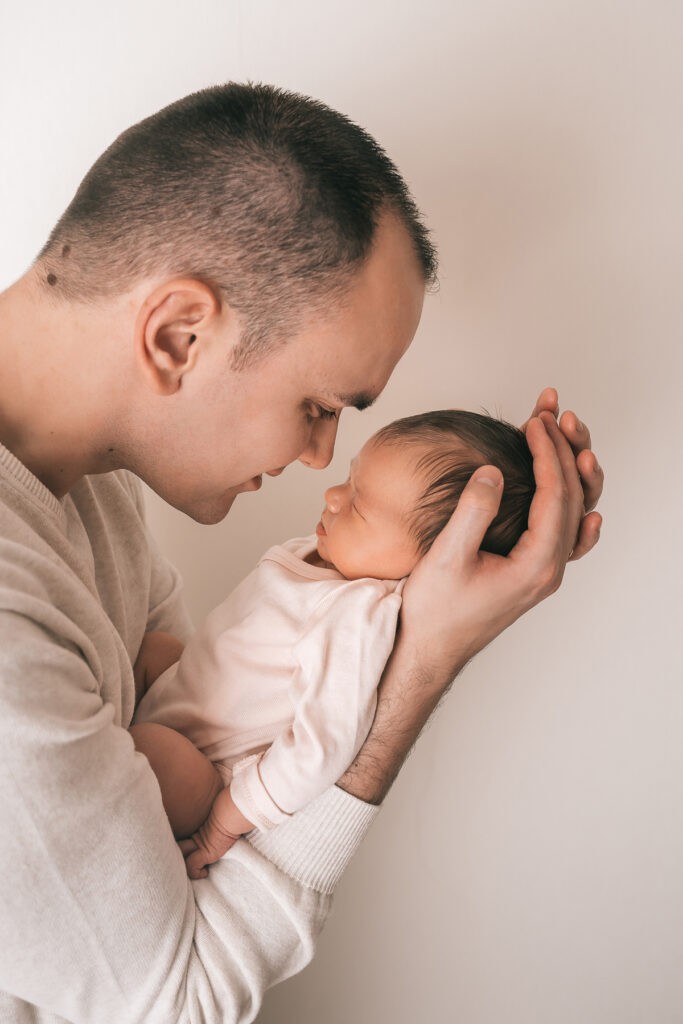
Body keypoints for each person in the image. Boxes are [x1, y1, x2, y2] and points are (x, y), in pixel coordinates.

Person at [0, 83, 603, 1023]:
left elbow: (192, 715)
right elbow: (175, 1003)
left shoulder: (97, 481)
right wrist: (420, 662)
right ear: (177, 335)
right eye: (320, 405)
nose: (320, 458)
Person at [131, 410, 536, 880]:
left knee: (144, 748)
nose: (333, 495)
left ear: (431, 562)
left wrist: (225, 818)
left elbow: (322, 747)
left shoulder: (355, 617)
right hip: (188, 696)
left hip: (207, 762)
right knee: (152, 648)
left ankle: (181, 801)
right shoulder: (333, 558)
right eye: (350, 478)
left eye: (359, 506)